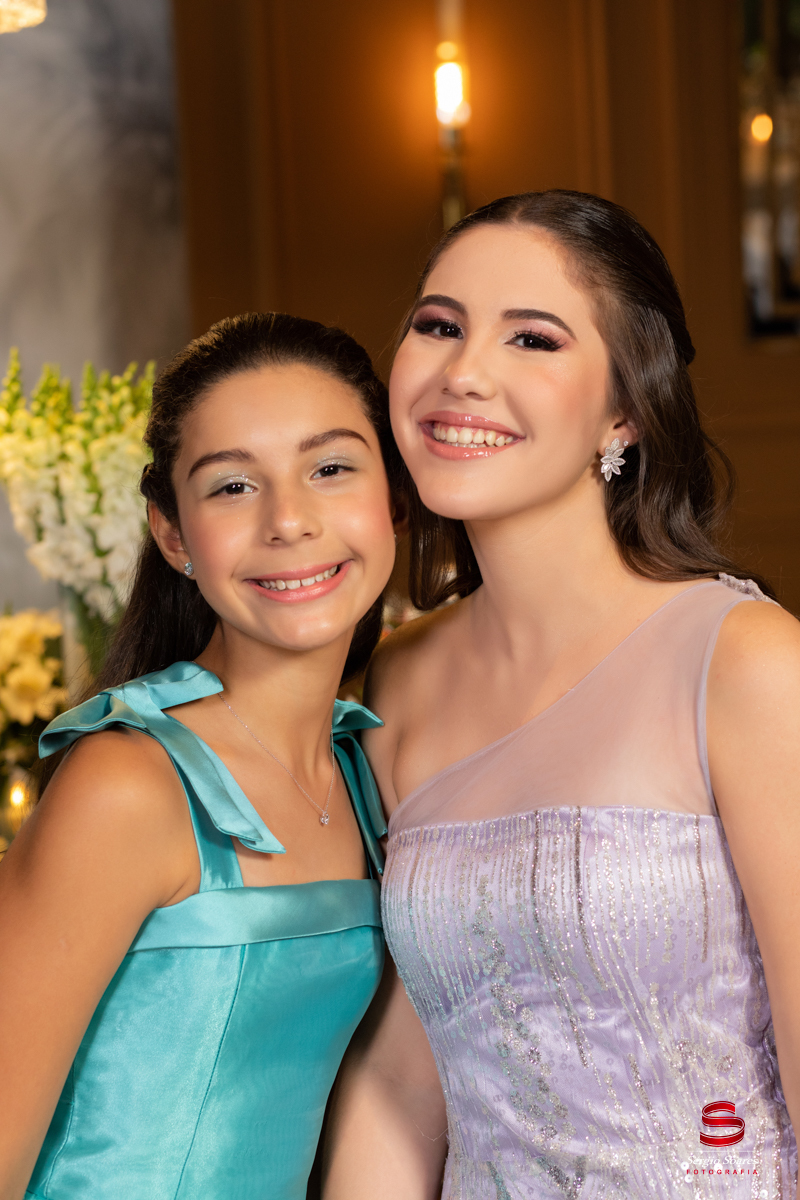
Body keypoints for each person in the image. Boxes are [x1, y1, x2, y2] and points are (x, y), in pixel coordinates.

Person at [323, 192, 800, 1199]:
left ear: (624, 410)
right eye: (438, 325)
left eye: (531, 338)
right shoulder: (395, 682)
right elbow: (404, 1079)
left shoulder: (744, 663)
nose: (463, 372)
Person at [0, 312, 401, 1200]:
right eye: (232, 486)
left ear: (394, 498)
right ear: (174, 534)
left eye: (331, 469)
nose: (289, 521)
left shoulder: (368, 771)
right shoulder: (129, 786)